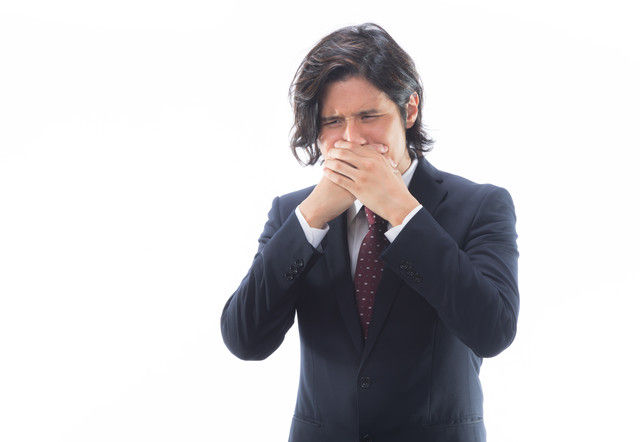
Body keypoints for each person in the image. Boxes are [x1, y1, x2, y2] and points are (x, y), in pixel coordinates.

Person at [220, 22, 519, 442]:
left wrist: (401, 211)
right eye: (333, 122)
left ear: (409, 110)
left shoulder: (480, 206)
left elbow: (493, 331)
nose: (352, 138)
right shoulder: (295, 214)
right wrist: (313, 216)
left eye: (368, 116)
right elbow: (245, 339)